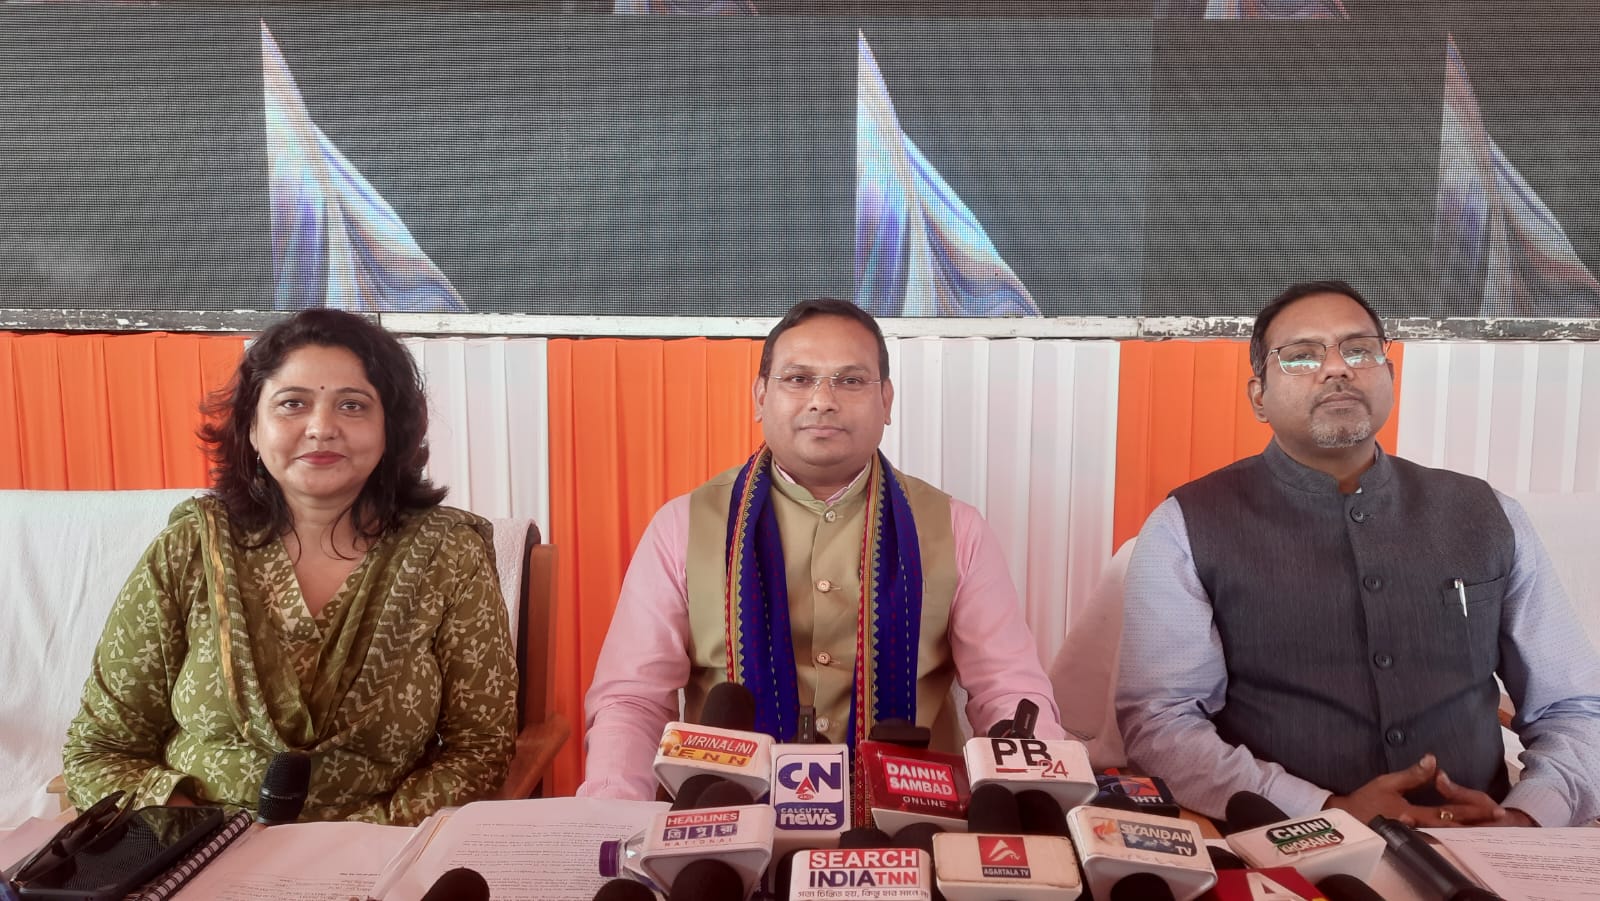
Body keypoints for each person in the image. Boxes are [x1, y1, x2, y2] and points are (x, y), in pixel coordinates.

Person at [1116, 280, 1600, 828]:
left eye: (1360, 350)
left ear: (1389, 376)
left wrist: (1529, 817)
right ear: (1258, 398)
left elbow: (1576, 706)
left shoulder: (1489, 513)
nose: (1337, 368)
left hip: (1488, 845)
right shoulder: (1186, 525)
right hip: (1282, 843)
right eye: (1302, 356)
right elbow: (1162, 722)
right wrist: (1324, 811)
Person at [579, 298, 1063, 800]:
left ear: (887, 401)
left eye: (850, 380)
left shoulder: (956, 529)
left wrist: (1043, 801)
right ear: (760, 397)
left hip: (913, 819)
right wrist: (616, 814)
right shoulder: (683, 527)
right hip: (720, 816)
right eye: (798, 378)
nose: (822, 400)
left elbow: (1010, 692)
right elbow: (633, 701)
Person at [63, 309, 517, 825]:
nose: (322, 428)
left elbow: (480, 747)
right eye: (292, 404)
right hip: (198, 847)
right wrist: (194, 834)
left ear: (390, 430)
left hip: (377, 849)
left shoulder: (447, 554)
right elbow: (100, 748)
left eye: (352, 405)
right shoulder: (192, 548)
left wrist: (365, 837)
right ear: (252, 429)